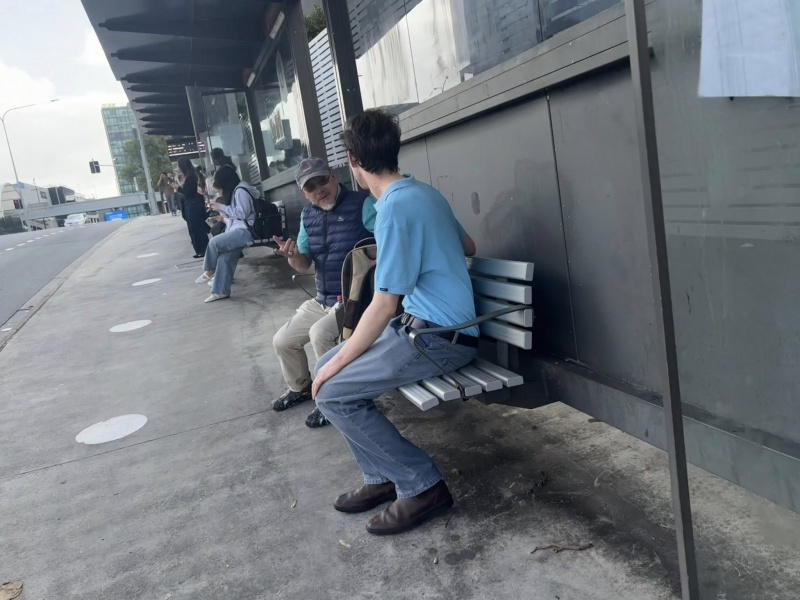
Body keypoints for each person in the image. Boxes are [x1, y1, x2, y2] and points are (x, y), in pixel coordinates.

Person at [312, 109, 478, 535]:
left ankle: (422, 485)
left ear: (353, 160)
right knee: (323, 370)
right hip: (429, 329)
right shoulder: (423, 193)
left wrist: (337, 363)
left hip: (438, 339)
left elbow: (384, 305)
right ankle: (380, 477)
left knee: (330, 390)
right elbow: (468, 245)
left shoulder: (393, 208)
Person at [271, 157, 376, 428]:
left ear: (333, 176)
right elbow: (303, 264)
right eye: (311, 187)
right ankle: (301, 388)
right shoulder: (307, 216)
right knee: (282, 340)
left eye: (322, 181)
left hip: (355, 300)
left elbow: (389, 241)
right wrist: (292, 257)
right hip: (322, 299)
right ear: (303, 193)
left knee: (320, 334)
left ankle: (333, 400)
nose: (319, 190)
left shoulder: (362, 205)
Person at [195, 166, 256, 303]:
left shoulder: (241, 191)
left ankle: (210, 270)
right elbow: (235, 215)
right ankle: (220, 291)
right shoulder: (236, 191)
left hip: (245, 231)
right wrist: (223, 212)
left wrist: (221, 207)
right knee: (225, 258)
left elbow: (242, 214)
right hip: (238, 229)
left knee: (214, 242)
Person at [176, 157, 209, 258]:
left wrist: (177, 188)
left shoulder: (191, 177)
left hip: (193, 205)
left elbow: (187, 192)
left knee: (196, 228)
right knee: (194, 228)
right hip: (192, 204)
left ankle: (202, 250)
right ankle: (201, 249)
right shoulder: (189, 176)